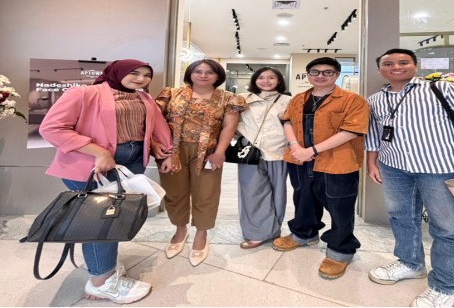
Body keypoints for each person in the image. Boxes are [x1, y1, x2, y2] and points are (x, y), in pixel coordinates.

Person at [366, 48, 454, 307]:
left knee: (447, 227)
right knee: (401, 217)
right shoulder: (376, 99)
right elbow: (374, 134)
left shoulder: (443, 89)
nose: (396, 67)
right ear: (380, 70)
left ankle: (447, 286)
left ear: (415, 66)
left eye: (403, 62)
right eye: (388, 64)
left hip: (440, 168)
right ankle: (410, 263)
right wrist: (372, 162)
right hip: (394, 167)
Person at [39, 59, 173, 304]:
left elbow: (148, 128)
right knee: (101, 222)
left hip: (131, 165)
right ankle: (101, 282)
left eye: (147, 75)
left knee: (115, 219)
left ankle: (103, 266)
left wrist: (159, 149)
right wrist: (99, 151)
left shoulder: (144, 98)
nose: (141, 79)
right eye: (135, 73)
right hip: (92, 166)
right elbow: (52, 128)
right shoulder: (84, 93)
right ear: (117, 72)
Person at [272, 57, 369, 280]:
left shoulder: (353, 100)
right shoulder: (299, 98)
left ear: (337, 75)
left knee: (340, 207)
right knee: (303, 198)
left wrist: (313, 150)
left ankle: (340, 250)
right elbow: (287, 121)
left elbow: (351, 131)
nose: (321, 76)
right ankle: (304, 234)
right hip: (300, 159)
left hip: (338, 161)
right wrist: (295, 146)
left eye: (327, 72)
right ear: (308, 75)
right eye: (315, 72)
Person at [155, 59, 246, 266]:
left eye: (209, 72)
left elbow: (229, 127)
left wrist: (220, 151)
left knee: (206, 193)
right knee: (174, 193)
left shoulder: (228, 98)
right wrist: (157, 146)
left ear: (218, 76)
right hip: (172, 151)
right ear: (190, 73)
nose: (203, 75)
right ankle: (180, 230)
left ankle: (201, 234)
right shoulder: (172, 93)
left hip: (208, 153)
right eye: (198, 71)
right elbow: (156, 121)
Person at [236, 67, 292, 249]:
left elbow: (293, 125)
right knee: (251, 192)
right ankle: (257, 233)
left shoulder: (288, 101)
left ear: (279, 80)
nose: (266, 81)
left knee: (278, 193)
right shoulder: (242, 99)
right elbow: (232, 122)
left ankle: (273, 230)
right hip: (249, 152)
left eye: (271, 77)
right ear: (254, 80)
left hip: (278, 151)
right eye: (261, 77)